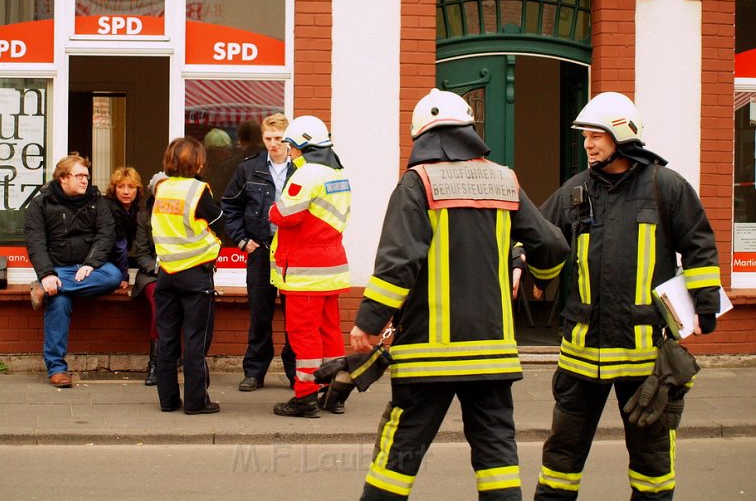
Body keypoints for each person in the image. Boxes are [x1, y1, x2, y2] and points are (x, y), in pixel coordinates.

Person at [350, 89, 570, 500]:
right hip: (491, 352)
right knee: (497, 456)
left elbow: (399, 262)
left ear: (421, 136)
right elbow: (553, 246)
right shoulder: (505, 180)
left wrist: (369, 321)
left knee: (399, 453)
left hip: (427, 355)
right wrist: (539, 275)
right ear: (470, 131)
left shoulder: (418, 183)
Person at [532, 92, 721, 501]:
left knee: (652, 463)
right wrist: (521, 261)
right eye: (585, 136)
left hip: (644, 358)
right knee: (560, 461)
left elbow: (699, 246)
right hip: (579, 358)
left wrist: (705, 304)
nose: (587, 144)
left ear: (623, 135)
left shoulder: (665, 187)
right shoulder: (575, 191)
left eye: (596, 135)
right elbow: (541, 236)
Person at [269, 115, 351, 418]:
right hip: (331, 265)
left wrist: (271, 209)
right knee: (330, 332)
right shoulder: (338, 173)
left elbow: (285, 216)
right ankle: (334, 394)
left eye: (290, 144)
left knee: (303, 333)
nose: (288, 150)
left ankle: (305, 397)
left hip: (305, 269)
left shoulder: (307, 175)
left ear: (302, 144)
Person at [25, 153, 123, 388]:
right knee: (58, 302)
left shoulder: (96, 201)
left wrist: (90, 263)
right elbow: (36, 242)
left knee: (114, 275)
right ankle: (57, 370)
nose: (84, 181)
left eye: (86, 176)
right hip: (56, 267)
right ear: (62, 178)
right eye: (79, 176)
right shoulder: (41, 204)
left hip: (90, 268)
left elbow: (106, 234)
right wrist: (48, 274)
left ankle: (46, 288)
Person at [221, 113, 297, 392]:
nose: (273, 144)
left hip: (293, 253)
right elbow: (229, 205)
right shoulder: (249, 169)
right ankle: (254, 371)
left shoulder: (302, 170)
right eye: (268, 138)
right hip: (261, 250)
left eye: (278, 139)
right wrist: (241, 241)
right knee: (260, 314)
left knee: (295, 315)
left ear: (288, 139)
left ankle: (295, 371)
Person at [151, 137, 223, 414]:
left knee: (167, 339)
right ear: (197, 162)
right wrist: (214, 244)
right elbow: (218, 221)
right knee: (196, 339)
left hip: (167, 273)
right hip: (195, 273)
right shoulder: (198, 190)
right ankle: (196, 402)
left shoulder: (162, 189)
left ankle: (168, 401)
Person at [131, 170, 169, 386]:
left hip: (178, 270)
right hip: (151, 274)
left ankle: (170, 358)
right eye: (159, 188)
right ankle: (155, 364)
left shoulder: (182, 212)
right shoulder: (144, 217)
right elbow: (141, 253)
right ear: (152, 191)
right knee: (159, 299)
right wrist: (156, 269)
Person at [105, 166, 144, 293]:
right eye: (121, 186)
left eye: (131, 187)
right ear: (114, 189)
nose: (126, 192)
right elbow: (120, 246)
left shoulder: (134, 210)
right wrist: (123, 277)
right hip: (104, 263)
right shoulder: (110, 208)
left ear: (137, 190)